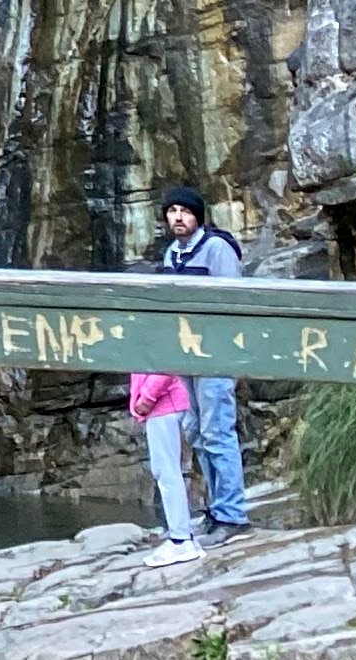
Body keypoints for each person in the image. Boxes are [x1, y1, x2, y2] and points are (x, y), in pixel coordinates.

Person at [157, 186, 248, 544]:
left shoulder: (217, 248)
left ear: (198, 216)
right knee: (195, 431)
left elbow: (234, 300)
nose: (178, 217)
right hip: (185, 355)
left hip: (215, 353)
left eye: (185, 211)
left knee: (218, 430)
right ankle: (215, 509)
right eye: (172, 211)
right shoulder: (172, 254)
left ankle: (232, 514)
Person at [128, 369, 202, 565]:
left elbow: (167, 366)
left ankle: (181, 541)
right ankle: (182, 536)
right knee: (167, 471)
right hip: (162, 406)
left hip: (163, 405)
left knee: (167, 473)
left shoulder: (154, 338)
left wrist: (148, 397)